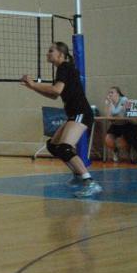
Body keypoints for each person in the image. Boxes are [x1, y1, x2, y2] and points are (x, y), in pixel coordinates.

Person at [21, 42, 102, 198]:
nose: (48, 53)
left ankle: (90, 182)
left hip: (81, 113)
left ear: (61, 54)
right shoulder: (63, 69)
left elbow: (56, 90)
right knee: (53, 146)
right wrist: (32, 87)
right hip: (74, 113)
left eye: (51, 51)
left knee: (65, 147)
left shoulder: (64, 67)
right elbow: (53, 95)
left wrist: (34, 84)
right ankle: (78, 176)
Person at [102, 86, 129, 162]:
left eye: (112, 92)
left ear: (118, 93)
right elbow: (108, 116)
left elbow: (120, 114)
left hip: (125, 124)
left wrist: (113, 116)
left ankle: (129, 154)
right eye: (109, 93)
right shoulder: (109, 102)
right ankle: (115, 151)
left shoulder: (124, 100)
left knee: (121, 142)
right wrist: (109, 103)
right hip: (115, 125)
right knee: (108, 140)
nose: (110, 94)